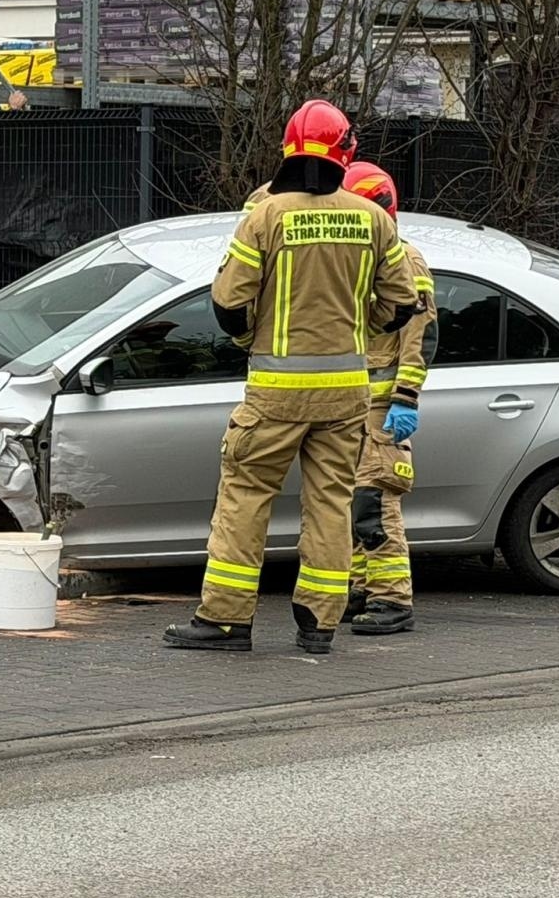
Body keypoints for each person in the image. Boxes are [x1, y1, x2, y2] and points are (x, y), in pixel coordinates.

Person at [163, 100, 421, 655]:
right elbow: (403, 304)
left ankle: (226, 620)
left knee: (245, 499)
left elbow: (229, 304)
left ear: (288, 148)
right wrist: (360, 327)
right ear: (345, 152)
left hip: (275, 394)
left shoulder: (266, 214)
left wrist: (249, 341)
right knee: (331, 504)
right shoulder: (373, 218)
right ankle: (319, 624)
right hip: (347, 395)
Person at [339, 162, 439, 635]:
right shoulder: (362, 259)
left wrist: (406, 397)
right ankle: (363, 589)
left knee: (374, 504)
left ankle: (392, 600)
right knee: (353, 506)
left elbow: (421, 336)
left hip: (382, 410)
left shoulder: (405, 261)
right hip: (353, 408)